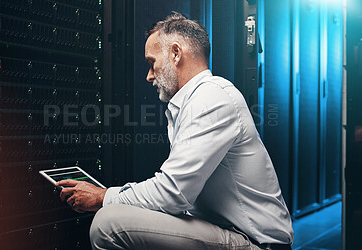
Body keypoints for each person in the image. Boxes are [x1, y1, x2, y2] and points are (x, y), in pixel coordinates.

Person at [57, 12, 294, 250]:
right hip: (226, 232)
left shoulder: (212, 97)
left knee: (108, 223)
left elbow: (172, 193)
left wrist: (103, 196)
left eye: (151, 62)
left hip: (257, 244)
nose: (149, 76)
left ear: (176, 53)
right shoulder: (192, 102)